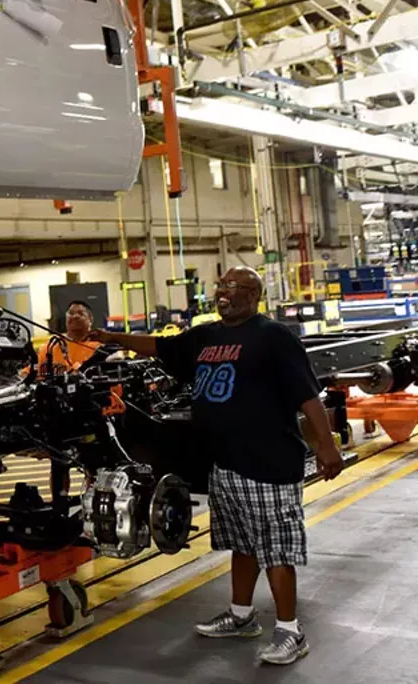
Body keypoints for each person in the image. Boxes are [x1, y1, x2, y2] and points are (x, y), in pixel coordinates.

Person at [90, 266, 342, 666]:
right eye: (220, 285)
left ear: (253, 294)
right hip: (225, 463)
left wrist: (327, 447)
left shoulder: (273, 336)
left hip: (268, 464)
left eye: (233, 287)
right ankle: (242, 616)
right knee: (242, 545)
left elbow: (308, 397)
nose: (222, 293)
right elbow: (160, 347)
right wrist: (111, 338)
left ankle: (291, 631)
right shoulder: (207, 336)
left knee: (276, 550)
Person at [40, 301, 106, 371]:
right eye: (71, 313)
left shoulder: (100, 347)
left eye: (81, 313)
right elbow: (30, 373)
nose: (75, 316)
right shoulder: (50, 348)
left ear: (91, 320)